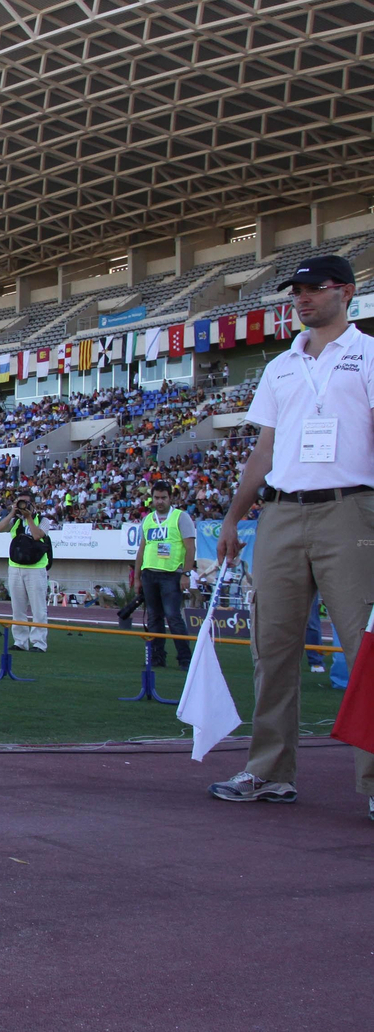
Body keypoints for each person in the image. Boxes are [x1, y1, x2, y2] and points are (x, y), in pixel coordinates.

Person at [213, 254, 374, 817]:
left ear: (346, 292)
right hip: (280, 513)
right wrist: (233, 517)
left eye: (313, 288)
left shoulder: (369, 354)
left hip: (350, 509)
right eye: (295, 291)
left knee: (365, 648)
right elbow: (264, 450)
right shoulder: (280, 366)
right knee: (272, 648)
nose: (302, 298)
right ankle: (270, 772)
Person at [131, 481, 196, 670]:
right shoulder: (148, 520)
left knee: (173, 617)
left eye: (163, 498)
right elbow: (141, 550)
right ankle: (157, 658)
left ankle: (185, 659)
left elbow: (190, 548)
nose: (159, 501)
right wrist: (137, 577)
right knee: (154, 617)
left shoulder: (181, 517)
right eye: (156, 498)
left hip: (172, 574)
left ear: (170, 498)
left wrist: (186, 573)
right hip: (149, 574)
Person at [0, 487, 51, 652]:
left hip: (36, 569)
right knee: (18, 608)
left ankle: (39, 643)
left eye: (26, 503)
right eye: (20, 503)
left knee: (38, 608)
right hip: (15, 568)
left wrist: (29, 517)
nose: (22, 506)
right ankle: (20, 641)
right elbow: (0, 528)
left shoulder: (43, 520)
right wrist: (13, 512)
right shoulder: (15, 521)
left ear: (33, 504)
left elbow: (37, 535)